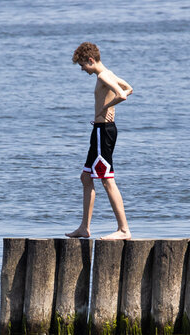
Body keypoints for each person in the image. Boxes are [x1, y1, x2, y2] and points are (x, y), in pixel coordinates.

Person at [65, 42, 134, 240]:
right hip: (100, 130)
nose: (82, 69)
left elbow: (123, 95)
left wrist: (106, 108)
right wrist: (109, 107)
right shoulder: (108, 73)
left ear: (91, 60)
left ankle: (123, 229)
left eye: (82, 65)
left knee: (106, 179)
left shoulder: (104, 75)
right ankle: (84, 228)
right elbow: (129, 88)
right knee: (86, 178)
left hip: (103, 131)